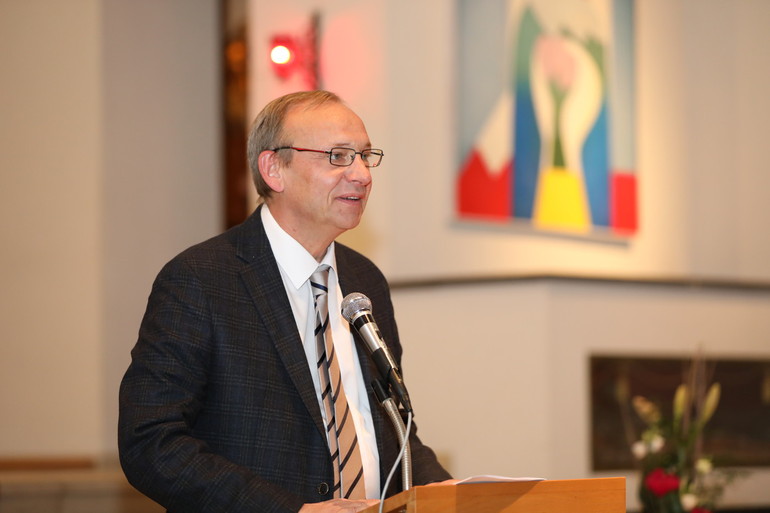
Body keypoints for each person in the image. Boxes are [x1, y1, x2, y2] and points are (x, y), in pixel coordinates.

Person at [118, 90, 451, 513]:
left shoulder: (365, 282)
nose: (363, 174)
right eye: (338, 156)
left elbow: (394, 433)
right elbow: (150, 441)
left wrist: (455, 493)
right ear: (274, 168)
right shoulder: (201, 280)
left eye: (366, 156)